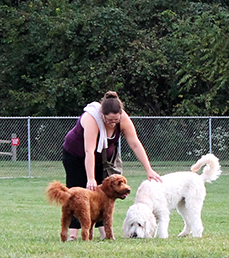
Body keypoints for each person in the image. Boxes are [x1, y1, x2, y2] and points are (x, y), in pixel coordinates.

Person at [61, 91, 163, 240]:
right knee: (79, 193)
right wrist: (90, 178)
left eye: (116, 120)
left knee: (104, 194)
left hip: (102, 158)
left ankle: (104, 233)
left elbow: (134, 143)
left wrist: (148, 169)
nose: (113, 123)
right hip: (76, 155)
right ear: (102, 114)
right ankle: (73, 234)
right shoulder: (91, 119)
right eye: (109, 120)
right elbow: (89, 151)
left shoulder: (123, 119)